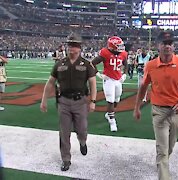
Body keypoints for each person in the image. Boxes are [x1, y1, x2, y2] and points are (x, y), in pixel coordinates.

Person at [133, 31, 178, 180]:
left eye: (170, 43)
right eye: (164, 43)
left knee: (169, 146)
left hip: (176, 111)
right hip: (159, 111)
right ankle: (163, 175)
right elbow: (143, 87)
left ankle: (162, 164)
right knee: (162, 149)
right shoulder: (151, 65)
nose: (167, 46)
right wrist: (137, 107)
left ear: (174, 46)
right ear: (158, 46)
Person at [40, 33, 97, 171]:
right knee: (64, 132)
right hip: (64, 102)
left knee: (81, 129)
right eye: (70, 45)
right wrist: (44, 100)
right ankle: (66, 159)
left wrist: (93, 101)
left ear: (80, 48)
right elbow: (50, 83)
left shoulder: (86, 64)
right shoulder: (60, 64)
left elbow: (93, 83)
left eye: (75, 46)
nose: (72, 49)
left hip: (80, 101)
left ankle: (82, 141)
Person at [92, 36, 128, 132]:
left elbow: (126, 64)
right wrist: (98, 74)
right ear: (112, 46)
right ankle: (112, 121)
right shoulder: (105, 53)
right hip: (108, 80)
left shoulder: (123, 53)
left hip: (118, 79)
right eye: (118, 45)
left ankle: (109, 114)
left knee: (117, 99)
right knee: (110, 100)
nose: (121, 47)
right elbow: (92, 63)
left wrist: (124, 74)